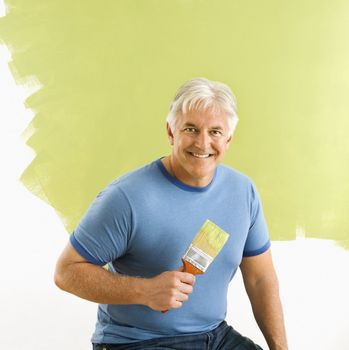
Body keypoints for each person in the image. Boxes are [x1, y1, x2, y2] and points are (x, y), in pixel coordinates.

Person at [54, 77, 288, 350]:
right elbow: (66, 272)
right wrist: (145, 291)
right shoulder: (127, 197)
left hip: (215, 336)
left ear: (228, 139)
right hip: (137, 341)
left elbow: (261, 278)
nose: (202, 143)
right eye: (191, 129)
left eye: (215, 132)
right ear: (170, 132)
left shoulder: (243, 192)